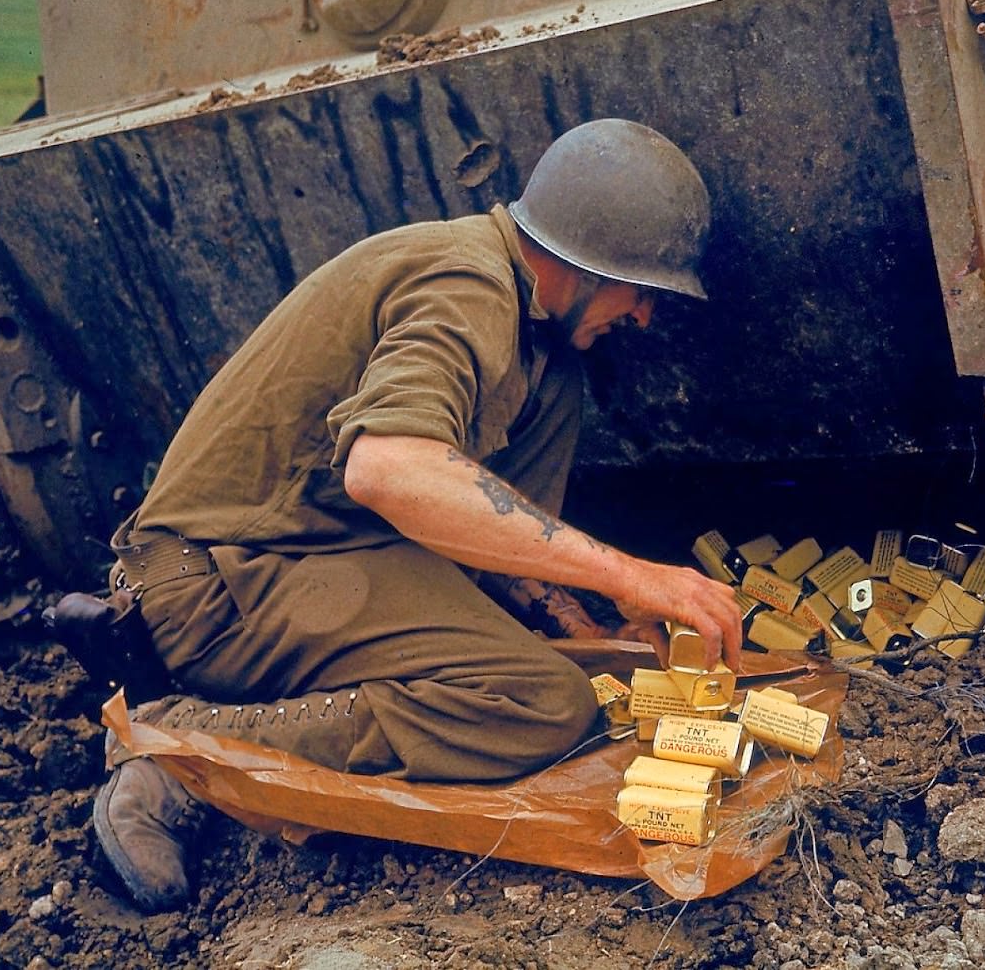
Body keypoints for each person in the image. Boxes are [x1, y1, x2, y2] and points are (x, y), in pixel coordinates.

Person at [87, 119, 744, 912]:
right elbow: (390, 469)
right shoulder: (467, 281)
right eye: (642, 291)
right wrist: (631, 573)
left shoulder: (548, 360)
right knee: (536, 704)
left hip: (318, 560)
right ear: (587, 264)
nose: (643, 318)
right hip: (218, 581)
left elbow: (498, 536)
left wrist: (587, 628)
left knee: (580, 678)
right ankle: (177, 749)